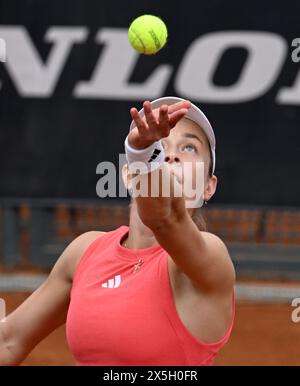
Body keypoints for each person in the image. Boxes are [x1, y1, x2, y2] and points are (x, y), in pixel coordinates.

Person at [0, 97, 235, 366]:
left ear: (208, 186)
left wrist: (143, 151)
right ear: (127, 175)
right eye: (161, 145)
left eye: (189, 147)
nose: (170, 155)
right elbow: (9, 339)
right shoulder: (84, 252)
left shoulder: (210, 258)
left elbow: (165, 219)